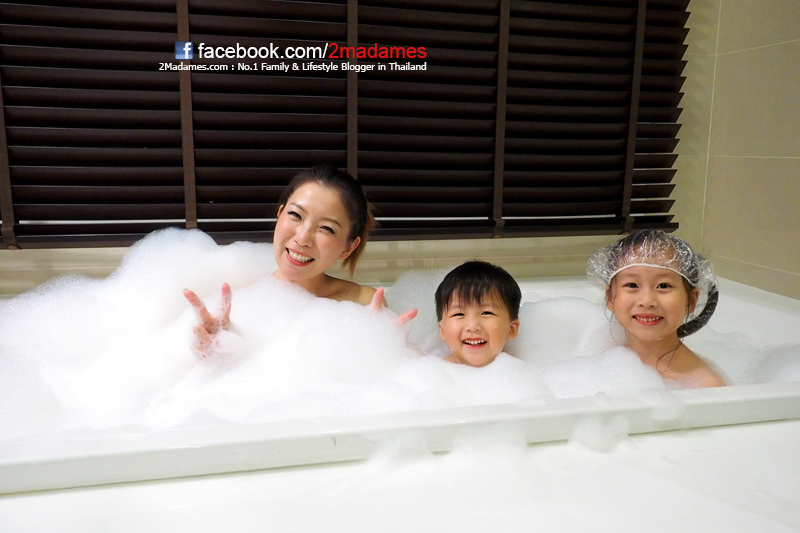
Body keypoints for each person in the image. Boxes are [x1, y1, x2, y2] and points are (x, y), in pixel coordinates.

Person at [184, 165, 416, 357]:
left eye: (326, 228)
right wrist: (213, 352)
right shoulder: (238, 306)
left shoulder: (365, 305)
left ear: (348, 247)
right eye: (296, 215)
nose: (302, 238)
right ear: (280, 215)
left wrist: (380, 347)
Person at [587, 230, 726, 389]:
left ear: (691, 300)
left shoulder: (706, 386)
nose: (647, 301)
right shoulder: (599, 359)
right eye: (632, 285)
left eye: (663, 285)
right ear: (611, 298)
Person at [435, 261, 521, 367]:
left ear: (511, 329)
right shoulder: (433, 371)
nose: (472, 327)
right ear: (442, 331)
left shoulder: (519, 372)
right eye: (459, 314)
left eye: (487, 313)